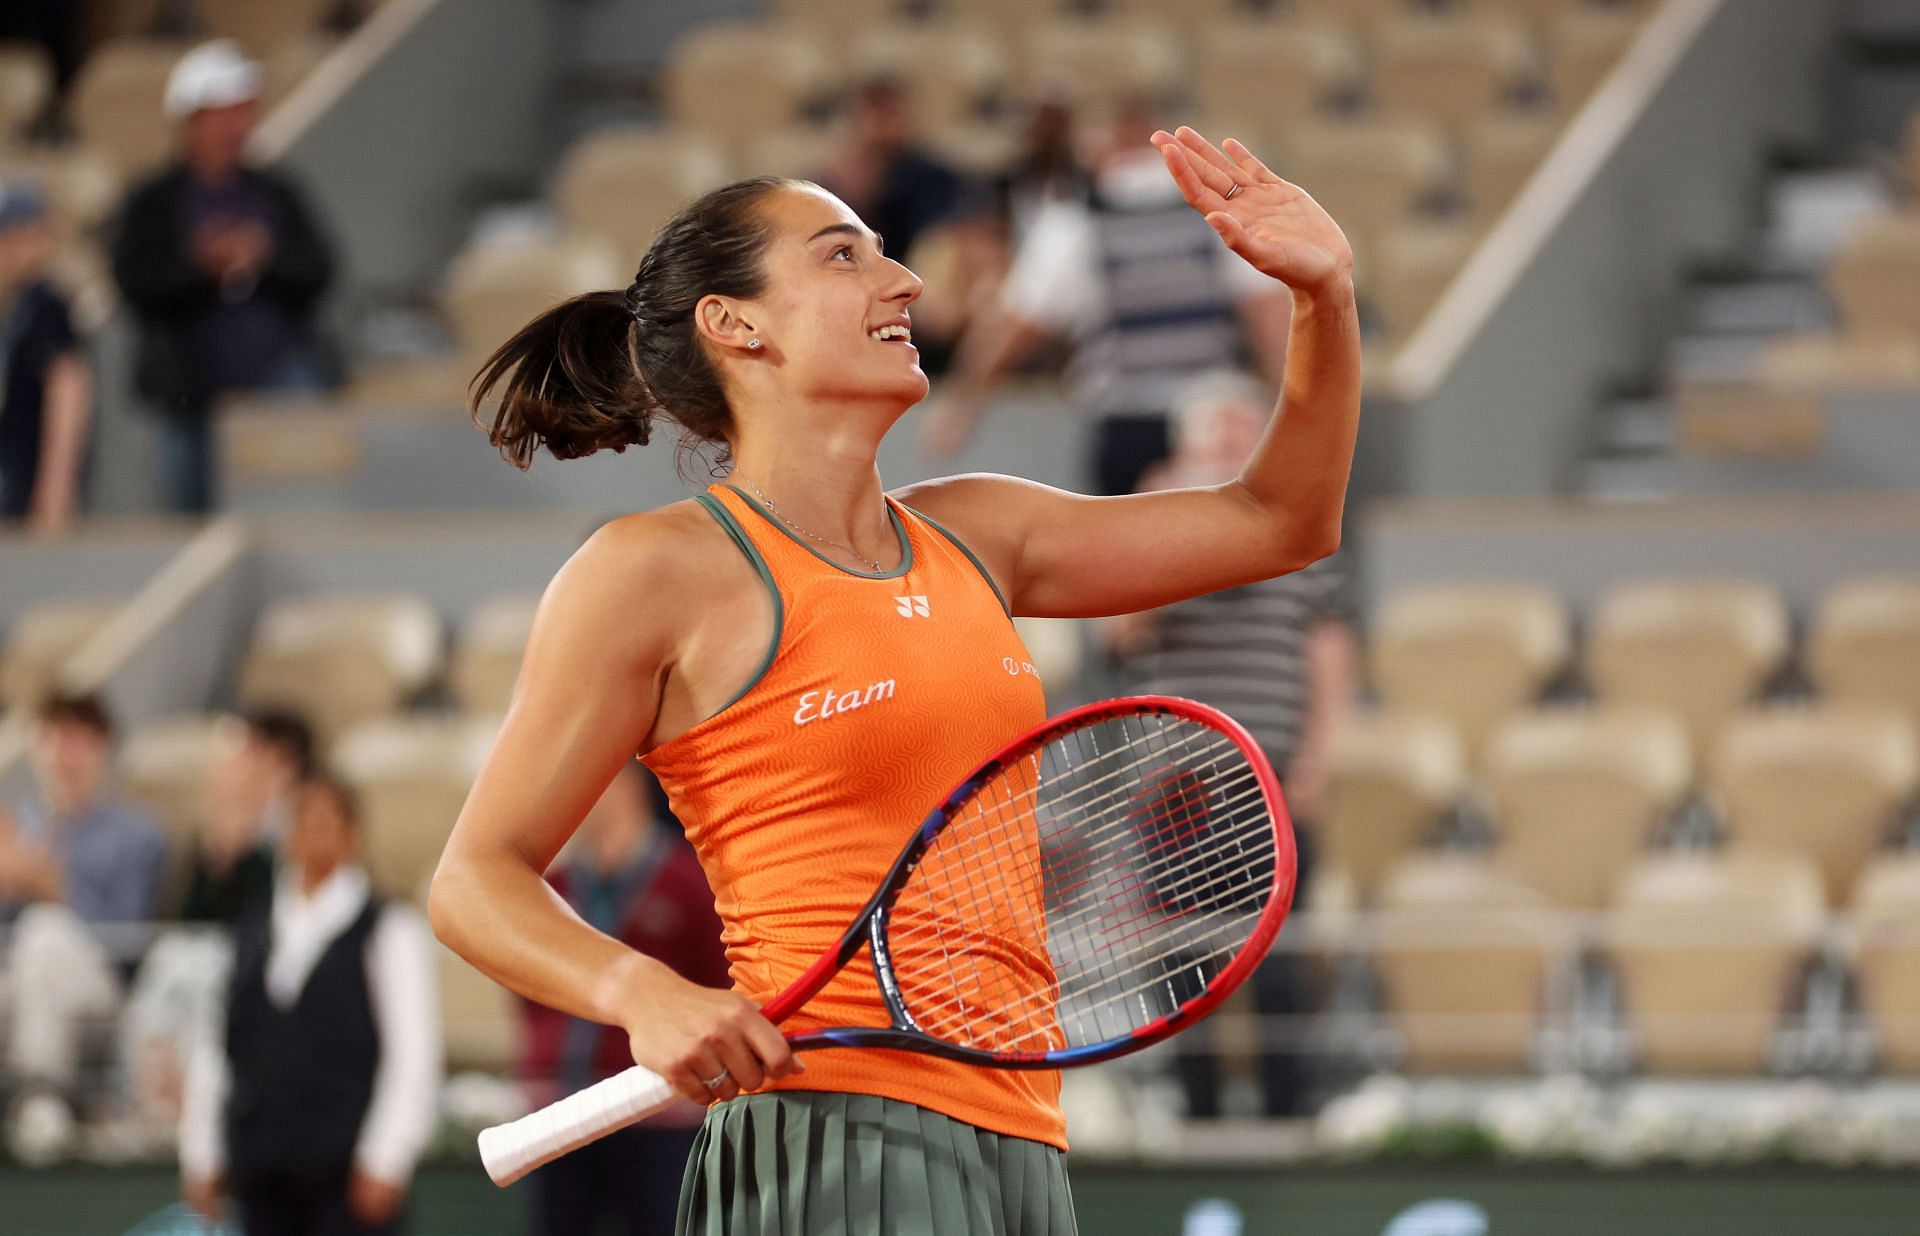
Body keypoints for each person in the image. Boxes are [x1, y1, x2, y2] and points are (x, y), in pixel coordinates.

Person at [430, 124, 1358, 1234]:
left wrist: (1325, 301)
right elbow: (475, 879)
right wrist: (644, 993)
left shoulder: (984, 530)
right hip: (833, 1132)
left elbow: (1283, 520)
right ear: (736, 327)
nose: (908, 279)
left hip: (1020, 1136)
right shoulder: (650, 571)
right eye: (843, 255)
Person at [1107, 369, 1359, 1120]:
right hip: (1175, 788)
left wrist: (1319, 761)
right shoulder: (1146, 532)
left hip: (1274, 782)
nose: (1228, 447)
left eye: (1241, 434)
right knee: (1181, 961)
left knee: (1279, 962)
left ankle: (1289, 1117)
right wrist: (1167, 524)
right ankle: (1199, 1119)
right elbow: (1122, 632)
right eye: (1213, 435)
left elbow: (1330, 657)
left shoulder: (1303, 533)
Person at [924, 100, 1296, 497]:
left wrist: (963, 403)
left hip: (1127, 428)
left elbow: (1018, 324)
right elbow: (1269, 318)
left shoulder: (1074, 222)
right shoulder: (1217, 212)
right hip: (1215, 429)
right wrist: (1289, 414)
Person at [180, 772, 441, 1236]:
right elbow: (216, 1048)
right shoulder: (249, 929)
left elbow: (413, 1053)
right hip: (261, 1173)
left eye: (329, 821)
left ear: (353, 834)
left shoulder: (387, 930)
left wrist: (387, 1156)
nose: (315, 833)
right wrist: (203, 1151)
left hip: (347, 1179)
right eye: (304, 820)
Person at [110, 39, 335, 514]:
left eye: (243, 111)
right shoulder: (154, 202)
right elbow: (136, 281)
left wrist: (265, 257)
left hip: (276, 382)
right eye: (224, 112)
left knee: (292, 510)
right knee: (188, 520)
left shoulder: (277, 193)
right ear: (194, 120)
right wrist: (201, 267)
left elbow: (319, 268)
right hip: (189, 394)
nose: (237, 126)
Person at [521, 765, 731, 1236]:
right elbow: (527, 989)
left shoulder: (686, 882)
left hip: (658, 1110)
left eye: (598, 785)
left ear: (630, 786)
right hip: (562, 1107)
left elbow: (722, 984)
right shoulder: (556, 887)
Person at [0, 693, 167, 1121]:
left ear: (102, 749)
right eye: (53, 739)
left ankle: (41, 1100)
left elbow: (126, 939)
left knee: (45, 936)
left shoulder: (139, 835)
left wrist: (54, 890)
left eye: (78, 741)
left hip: (102, 989)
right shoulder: (16, 831)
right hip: (16, 982)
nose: (64, 755)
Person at [0, 180, 91, 533]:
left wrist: (55, 486)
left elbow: (68, 391)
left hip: (30, 480)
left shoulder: (47, 304)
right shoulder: (18, 304)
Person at [813, 75, 966, 267]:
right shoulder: (836, 180)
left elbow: (937, 243)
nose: (882, 127)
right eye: (874, 115)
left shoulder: (934, 178)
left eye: (891, 114)